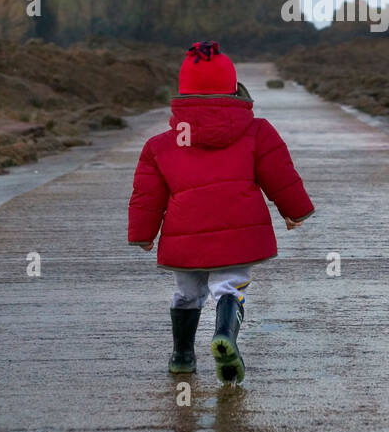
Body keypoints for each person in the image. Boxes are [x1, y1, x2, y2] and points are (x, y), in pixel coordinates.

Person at [128, 40, 314, 383]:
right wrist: (295, 212)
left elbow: (147, 196)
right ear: (234, 90)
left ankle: (182, 356)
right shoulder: (257, 132)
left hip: (185, 237)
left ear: (183, 94)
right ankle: (225, 336)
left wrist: (143, 234)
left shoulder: (161, 145)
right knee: (229, 287)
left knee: (186, 293)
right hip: (238, 233)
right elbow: (281, 176)